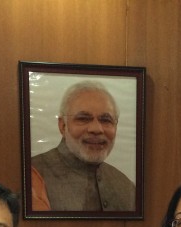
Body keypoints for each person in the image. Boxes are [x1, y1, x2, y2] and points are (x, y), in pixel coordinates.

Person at [31, 80, 135, 212]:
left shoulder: (126, 187)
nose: (96, 129)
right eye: (83, 119)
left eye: (106, 120)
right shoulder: (34, 176)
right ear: (63, 126)